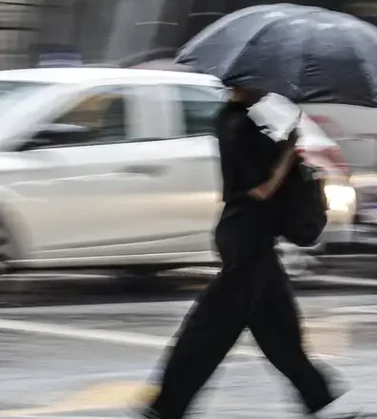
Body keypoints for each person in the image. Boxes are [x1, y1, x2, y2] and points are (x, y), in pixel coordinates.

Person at [133, 85, 360, 419]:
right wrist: (288, 150)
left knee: (278, 326)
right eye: (258, 83)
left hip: (251, 237)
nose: (265, 89)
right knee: (211, 328)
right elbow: (261, 189)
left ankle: (314, 394)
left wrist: (286, 142)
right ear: (242, 84)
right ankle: (166, 406)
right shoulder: (238, 124)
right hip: (246, 239)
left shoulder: (238, 120)